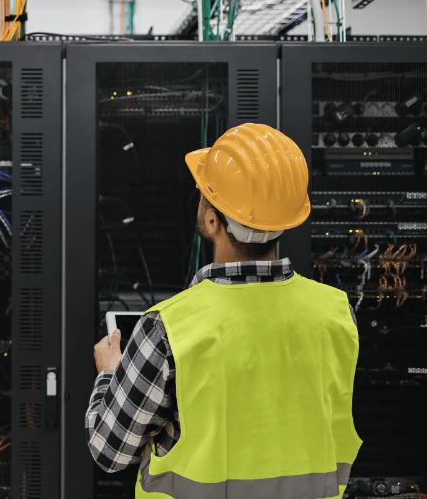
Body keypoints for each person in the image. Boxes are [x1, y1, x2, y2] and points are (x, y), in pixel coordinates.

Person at [87, 123, 362, 499]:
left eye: (205, 194)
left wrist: (110, 373)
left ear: (213, 220)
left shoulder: (167, 328)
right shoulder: (338, 314)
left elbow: (109, 451)